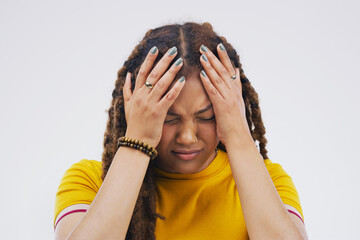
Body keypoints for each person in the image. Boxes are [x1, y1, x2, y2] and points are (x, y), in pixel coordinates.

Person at [53, 22, 308, 239]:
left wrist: (239, 137)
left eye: (206, 116)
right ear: (136, 109)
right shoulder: (88, 180)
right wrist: (137, 140)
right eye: (167, 117)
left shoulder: (268, 181)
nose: (187, 137)